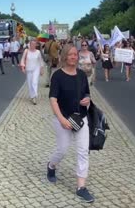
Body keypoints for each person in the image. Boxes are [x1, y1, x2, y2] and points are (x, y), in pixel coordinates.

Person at [47, 44, 94, 203]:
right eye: (71, 54)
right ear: (65, 56)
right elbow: (53, 99)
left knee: (82, 151)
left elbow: (86, 93)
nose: (74, 57)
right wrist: (61, 119)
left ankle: (81, 187)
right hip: (63, 119)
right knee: (62, 149)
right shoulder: (57, 76)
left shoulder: (81, 75)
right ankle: (51, 166)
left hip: (81, 118)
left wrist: (87, 99)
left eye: (76, 54)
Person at [20, 39, 45, 105]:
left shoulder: (38, 52)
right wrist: (23, 67)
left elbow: (40, 61)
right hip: (29, 69)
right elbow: (22, 59)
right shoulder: (26, 51)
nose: (33, 45)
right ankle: (32, 96)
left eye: (34, 44)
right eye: (32, 44)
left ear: (36, 45)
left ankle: (34, 97)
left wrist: (41, 69)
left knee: (34, 82)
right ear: (30, 44)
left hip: (36, 69)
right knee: (30, 83)